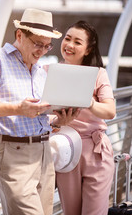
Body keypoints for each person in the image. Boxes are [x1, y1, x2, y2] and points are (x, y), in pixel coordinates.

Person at [0, 8, 79, 215]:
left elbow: (37, 114)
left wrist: (58, 121)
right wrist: (18, 108)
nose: (42, 51)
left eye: (47, 46)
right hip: (13, 154)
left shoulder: (39, 70)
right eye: (38, 44)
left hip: (45, 152)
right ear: (20, 35)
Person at [50, 20, 116, 215]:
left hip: (95, 152)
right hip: (66, 151)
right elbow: (42, 114)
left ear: (88, 50)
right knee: (71, 212)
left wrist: (91, 103)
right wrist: (55, 122)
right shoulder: (49, 73)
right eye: (67, 39)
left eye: (78, 42)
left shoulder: (98, 74)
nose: (69, 45)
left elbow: (110, 111)